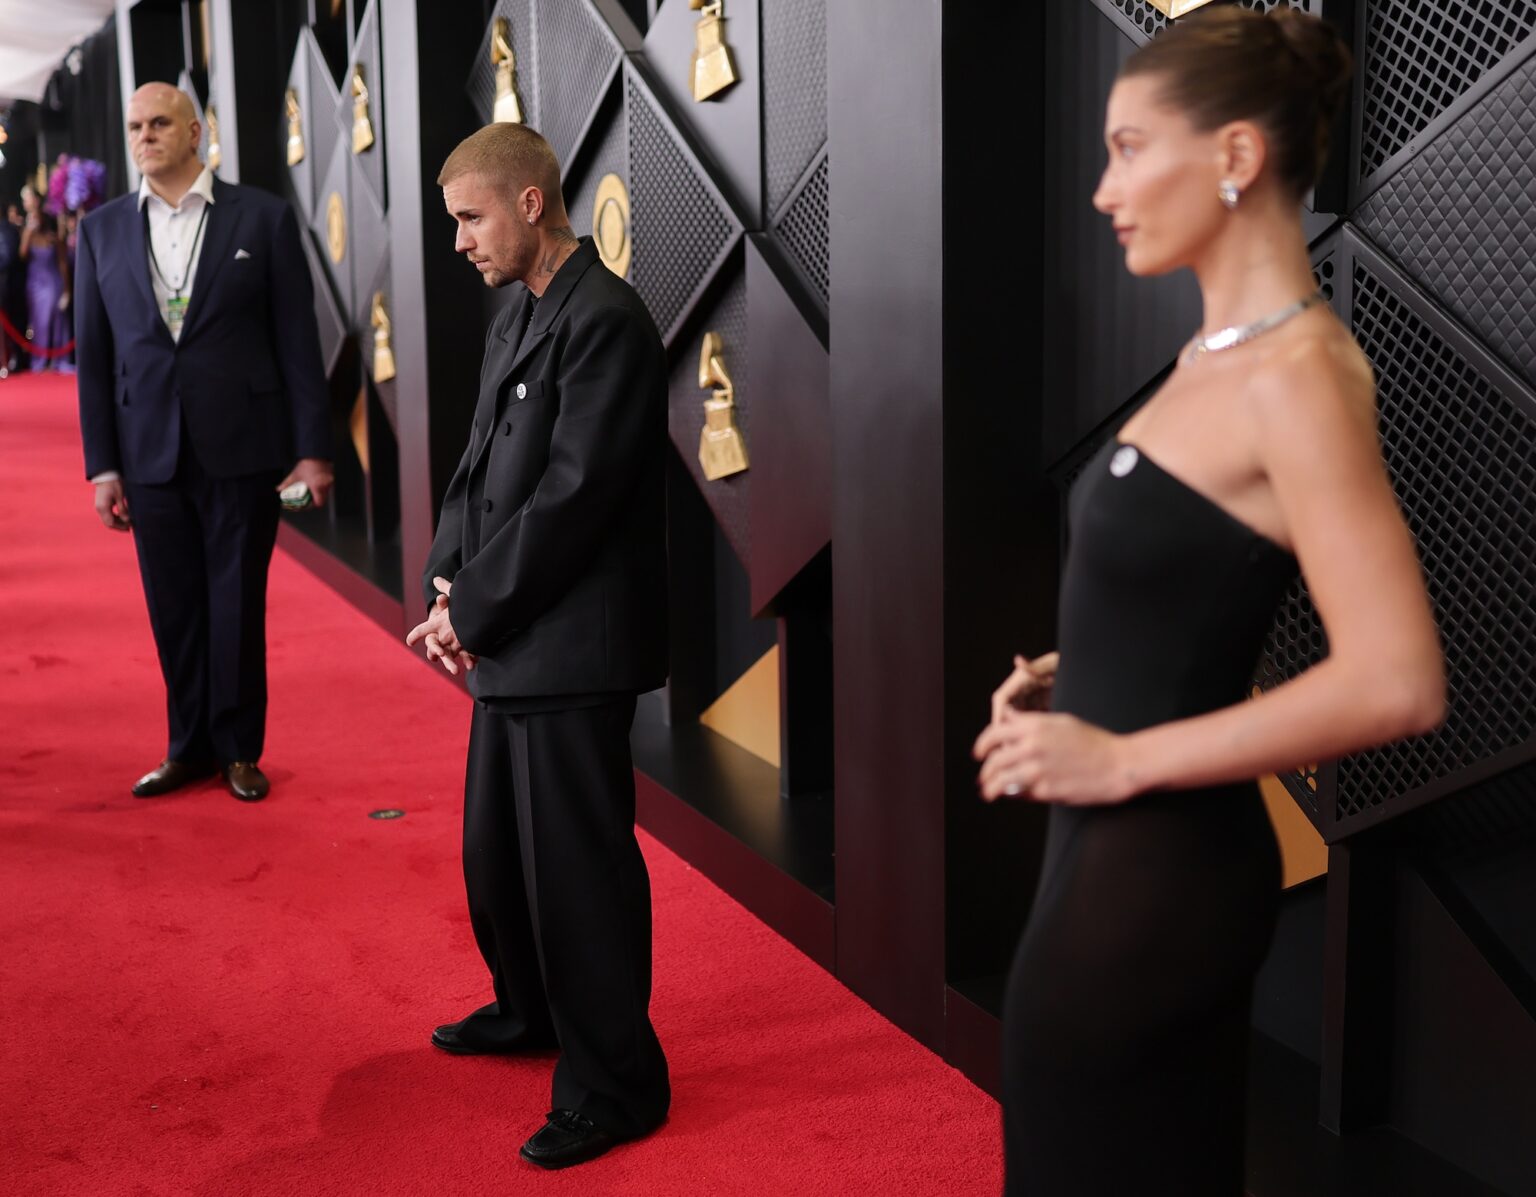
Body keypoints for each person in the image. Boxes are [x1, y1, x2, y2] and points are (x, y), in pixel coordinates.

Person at [971, 10, 1445, 1195]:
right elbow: (1189, 585)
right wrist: (1087, 673)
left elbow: (1396, 682)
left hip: (1159, 877)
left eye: (1130, 149)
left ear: (1236, 157)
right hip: (1111, 861)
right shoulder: (1217, 355)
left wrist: (1120, 758)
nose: (1101, 189)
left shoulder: (1299, 377)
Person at [406, 122, 670, 1170]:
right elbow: (478, 464)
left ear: (527, 204)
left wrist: (471, 610)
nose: (460, 241)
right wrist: (444, 577)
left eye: (470, 218)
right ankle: (530, 1012)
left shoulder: (606, 319)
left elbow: (573, 502)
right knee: (499, 862)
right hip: (517, 635)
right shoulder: (520, 308)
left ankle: (616, 1084)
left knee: (577, 877)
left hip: (576, 644)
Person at [75, 83, 333, 802]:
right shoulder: (99, 231)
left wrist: (313, 450)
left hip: (244, 444)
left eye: (159, 123)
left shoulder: (265, 217)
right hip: (147, 447)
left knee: (236, 602)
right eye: (134, 126)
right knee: (174, 606)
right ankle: (186, 745)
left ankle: (240, 749)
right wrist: (103, 466)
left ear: (195, 131)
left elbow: (297, 344)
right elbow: (94, 362)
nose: (144, 135)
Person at [20, 209, 69, 371]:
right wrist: (28, 232)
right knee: (38, 322)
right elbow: (22, 254)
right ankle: (40, 359)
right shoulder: (29, 236)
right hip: (34, 285)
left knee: (54, 320)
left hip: (52, 283)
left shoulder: (53, 239)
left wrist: (67, 290)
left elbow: (63, 265)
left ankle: (57, 358)